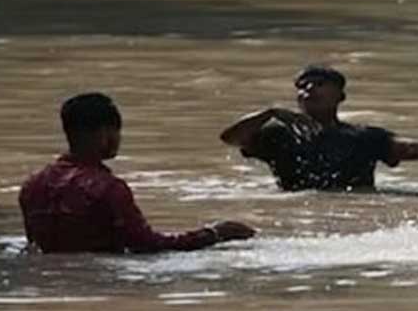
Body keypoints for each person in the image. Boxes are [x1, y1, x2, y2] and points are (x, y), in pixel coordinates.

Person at [220, 65, 418, 191]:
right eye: (302, 86)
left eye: (319, 84)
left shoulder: (364, 137)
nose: (309, 89)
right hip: (298, 212)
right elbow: (230, 138)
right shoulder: (278, 136)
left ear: (340, 96)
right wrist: (270, 113)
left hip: (355, 211)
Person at [19, 93, 256, 254]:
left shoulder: (33, 185)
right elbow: (147, 246)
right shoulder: (106, 187)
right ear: (105, 133)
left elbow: (35, 247)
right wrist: (215, 234)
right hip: (101, 283)